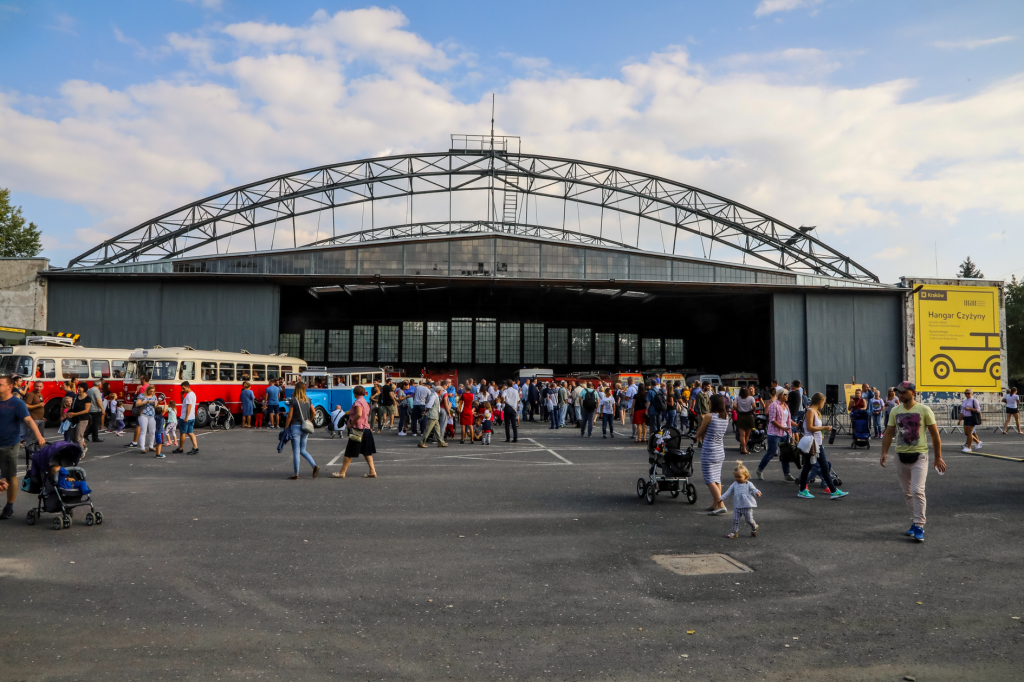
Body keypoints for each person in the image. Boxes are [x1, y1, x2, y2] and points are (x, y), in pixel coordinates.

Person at [881, 380, 945, 543]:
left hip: (919, 456)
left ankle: (919, 526)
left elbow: (935, 435)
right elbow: (889, 433)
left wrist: (938, 457)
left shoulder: (924, 410)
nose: (900, 395)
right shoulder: (895, 410)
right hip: (900, 456)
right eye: (899, 392)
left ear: (913, 392)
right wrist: (884, 453)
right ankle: (915, 521)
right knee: (908, 493)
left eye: (903, 392)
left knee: (918, 491)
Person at [0, 374, 46, 519]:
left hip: (9, 444)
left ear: (9, 387)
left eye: (0, 384)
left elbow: (29, 420)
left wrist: (39, 436)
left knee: (10, 475)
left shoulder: (16, 403)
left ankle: (9, 506)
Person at [797, 393, 849, 499]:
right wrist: (824, 428)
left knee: (809, 467)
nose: (823, 404)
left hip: (816, 443)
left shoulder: (815, 412)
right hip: (813, 444)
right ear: (819, 401)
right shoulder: (810, 411)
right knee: (822, 467)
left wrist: (822, 432)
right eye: (823, 402)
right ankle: (832, 490)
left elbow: (815, 428)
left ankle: (803, 490)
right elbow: (809, 427)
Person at [696, 393, 729, 515]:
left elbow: (700, 431)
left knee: (709, 479)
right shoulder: (725, 417)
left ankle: (721, 504)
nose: (708, 403)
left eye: (709, 401)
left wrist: (695, 436)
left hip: (709, 450)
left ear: (713, 403)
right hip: (720, 450)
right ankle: (715, 503)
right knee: (716, 478)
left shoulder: (709, 416)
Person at [335, 385, 379, 477]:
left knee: (349, 451)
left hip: (358, 429)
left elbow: (358, 414)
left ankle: (342, 472)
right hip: (366, 428)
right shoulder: (365, 402)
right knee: (367, 452)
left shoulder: (358, 402)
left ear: (355, 393)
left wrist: (351, 423)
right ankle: (372, 471)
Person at [756, 389, 797, 481]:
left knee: (785, 454)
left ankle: (787, 474)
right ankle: (759, 470)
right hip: (775, 433)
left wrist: (796, 425)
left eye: (787, 394)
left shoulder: (786, 406)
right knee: (771, 453)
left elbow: (788, 420)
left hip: (785, 433)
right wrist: (782, 427)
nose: (787, 396)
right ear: (780, 395)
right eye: (785, 394)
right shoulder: (774, 405)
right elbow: (772, 419)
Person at [283, 381, 319, 480]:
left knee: (296, 451)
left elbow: (290, 416)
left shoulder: (293, 400)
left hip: (295, 426)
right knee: (303, 450)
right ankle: (314, 465)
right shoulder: (308, 400)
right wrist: (309, 420)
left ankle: (296, 474)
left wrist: (286, 427)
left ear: (296, 388)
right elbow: (314, 412)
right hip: (305, 427)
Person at [720, 461, 761, 538]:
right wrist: (721, 498)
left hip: (746, 505)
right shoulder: (734, 484)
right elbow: (728, 492)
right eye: (736, 477)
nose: (737, 479)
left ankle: (754, 526)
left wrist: (757, 492)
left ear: (746, 476)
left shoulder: (748, 484)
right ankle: (734, 532)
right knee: (735, 520)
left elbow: (754, 489)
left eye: (739, 477)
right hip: (737, 505)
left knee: (749, 520)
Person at [173, 381, 199, 455]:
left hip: (185, 417)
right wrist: (182, 395)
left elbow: (188, 407)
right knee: (190, 432)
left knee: (182, 433)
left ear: (188, 387)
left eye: (183, 388)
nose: (182, 390)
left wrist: (186, 417)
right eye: (182, 389)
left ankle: (180, 448)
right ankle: (195, 447)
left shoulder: (189, 396)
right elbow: (183, 403)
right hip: (192, 417)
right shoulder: (192, 394)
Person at [135, 384, 159, 453]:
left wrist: (156, 404)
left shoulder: (154, 396)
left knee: (152, 432)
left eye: (153, 391)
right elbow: (137, 404)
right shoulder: (142, 395)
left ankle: (151, 446)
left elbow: (156, 406)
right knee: (143, 431)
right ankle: (142, 448)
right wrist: (146, 401)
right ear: (147, 390)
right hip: (143, 414)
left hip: (152, 415)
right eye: (150, 391)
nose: (151, 393)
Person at [958, 388, 982, 453]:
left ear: (971, 393)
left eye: (968, 393)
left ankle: (969, 447)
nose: (967, 394)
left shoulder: (974, 400)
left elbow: (978, 410)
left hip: (972, 417)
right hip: (966, 417)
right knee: (966, 433)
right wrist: (959, 420)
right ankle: (978, 442)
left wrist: (970, 409)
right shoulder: (964, 401)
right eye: (965, 393)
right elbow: (962, 411)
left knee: (969, 433)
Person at [734, 387, 756, 455]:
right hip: (749, 416)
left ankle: (742, 448)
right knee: (747, 435)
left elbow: (734, 405)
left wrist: (737, 410)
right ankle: (744, 448)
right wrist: (752, 411)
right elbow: (754, 406)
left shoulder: (738, 398)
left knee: (742, 435)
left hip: (740, 416)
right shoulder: (751, 398)